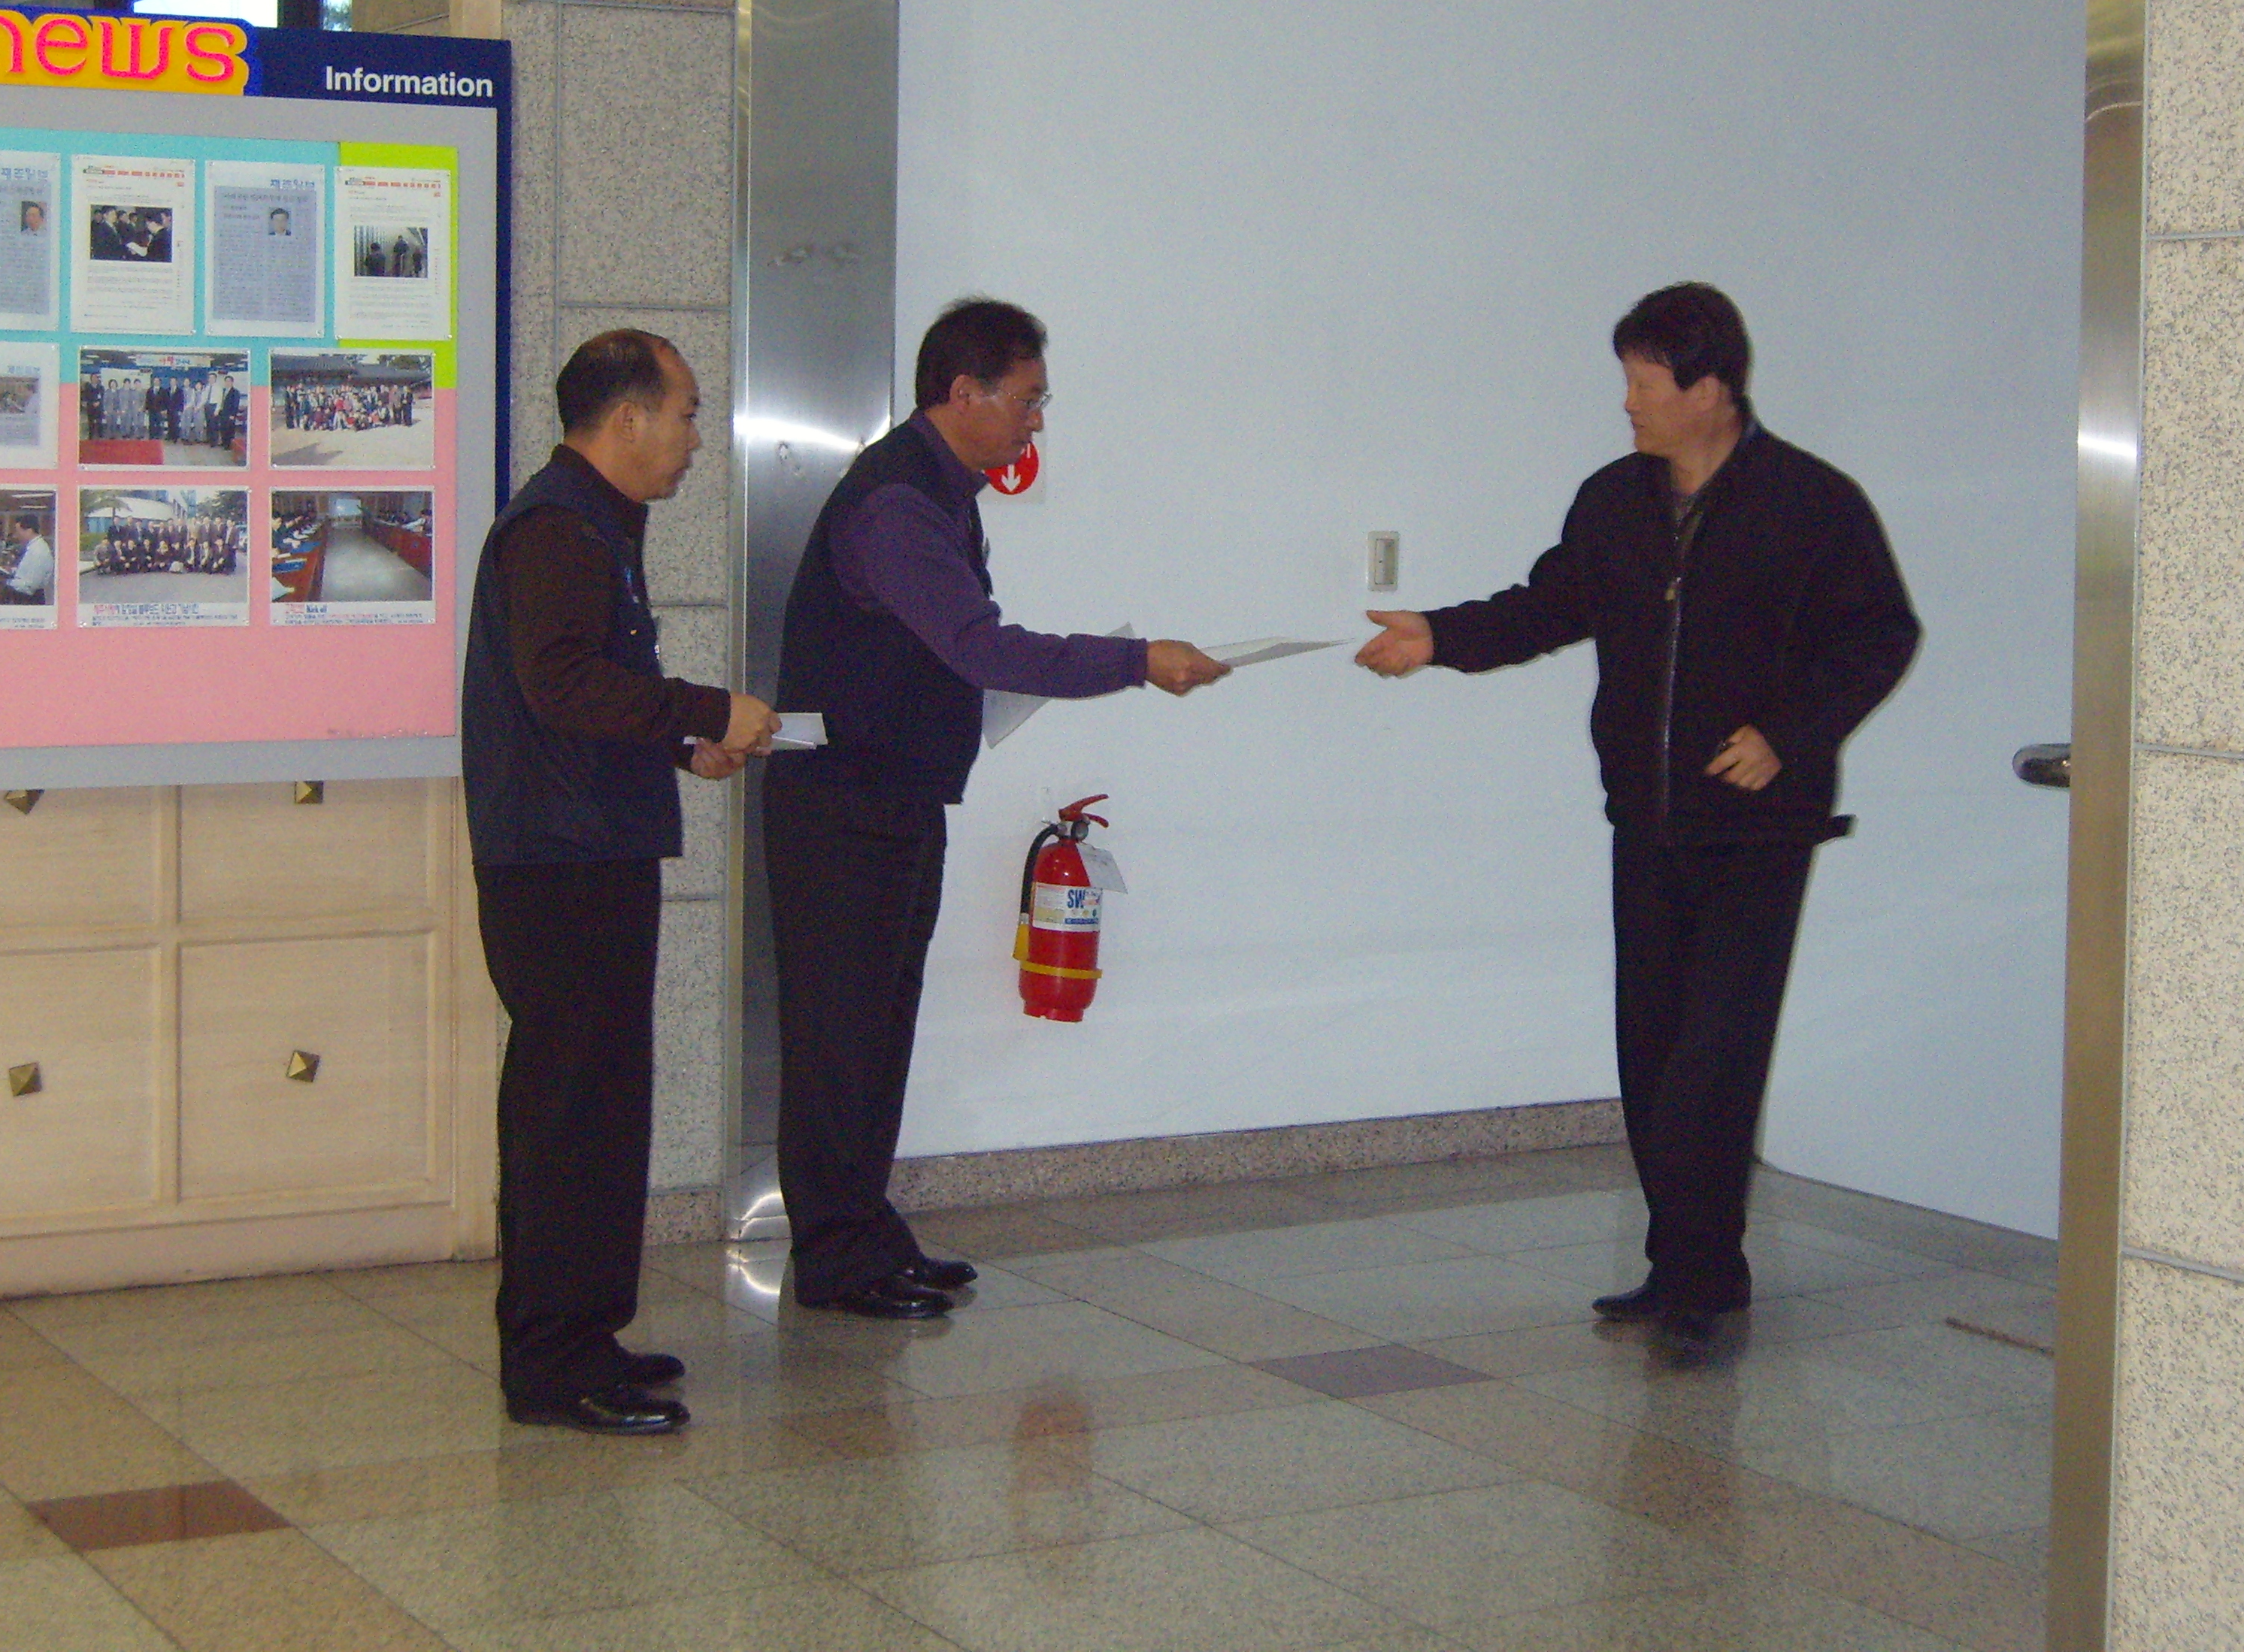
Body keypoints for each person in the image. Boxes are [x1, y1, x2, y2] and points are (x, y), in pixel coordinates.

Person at [1356, 283, 1920, 1349]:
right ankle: (1678, 1268)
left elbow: (1879, 636)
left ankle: (1707, 1281)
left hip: (1758, 825)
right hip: (1646, 819)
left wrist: (1790, 733)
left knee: (1716, 1059)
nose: (1628, 404)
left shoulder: (1810, 503)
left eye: (1644, 384)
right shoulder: (1614, 501)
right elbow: (1548, 607)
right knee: (1652, 1054)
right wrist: (1437, 636)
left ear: (1709, 389)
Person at [763, 298, 1232, 1320]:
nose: (1037, 422)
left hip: (894, 797)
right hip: (842, 807)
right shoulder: (897, 505)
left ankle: (865, 1232)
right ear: (963, 392)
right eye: (1027, 400)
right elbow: (981, 646)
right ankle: (835, 1258)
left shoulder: (941, 493)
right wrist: (1136, 661)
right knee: (840, 1039)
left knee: (878, 1032)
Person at [462, 328, 783, 1434]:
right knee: (568, 1111)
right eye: (686, 413)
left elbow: (596, 693)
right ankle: (551, 1364)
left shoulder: (594, 520)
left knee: (601, 1106)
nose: (696, 438)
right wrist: (705, 708)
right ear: (628, 417)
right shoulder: (558, 525)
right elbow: (558, 681)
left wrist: (684, 745)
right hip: (557, 863)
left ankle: (586, 1333)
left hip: (589, 846)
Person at [3, 514, 53, 604]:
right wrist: (13, 570)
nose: (16, 536)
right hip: (27, 597)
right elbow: (28, 571)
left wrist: (5, 581)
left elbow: (29, 586)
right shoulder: (33, 547)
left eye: (18, 532)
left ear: (29, 531)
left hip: (29, 600)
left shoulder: (38, 551)